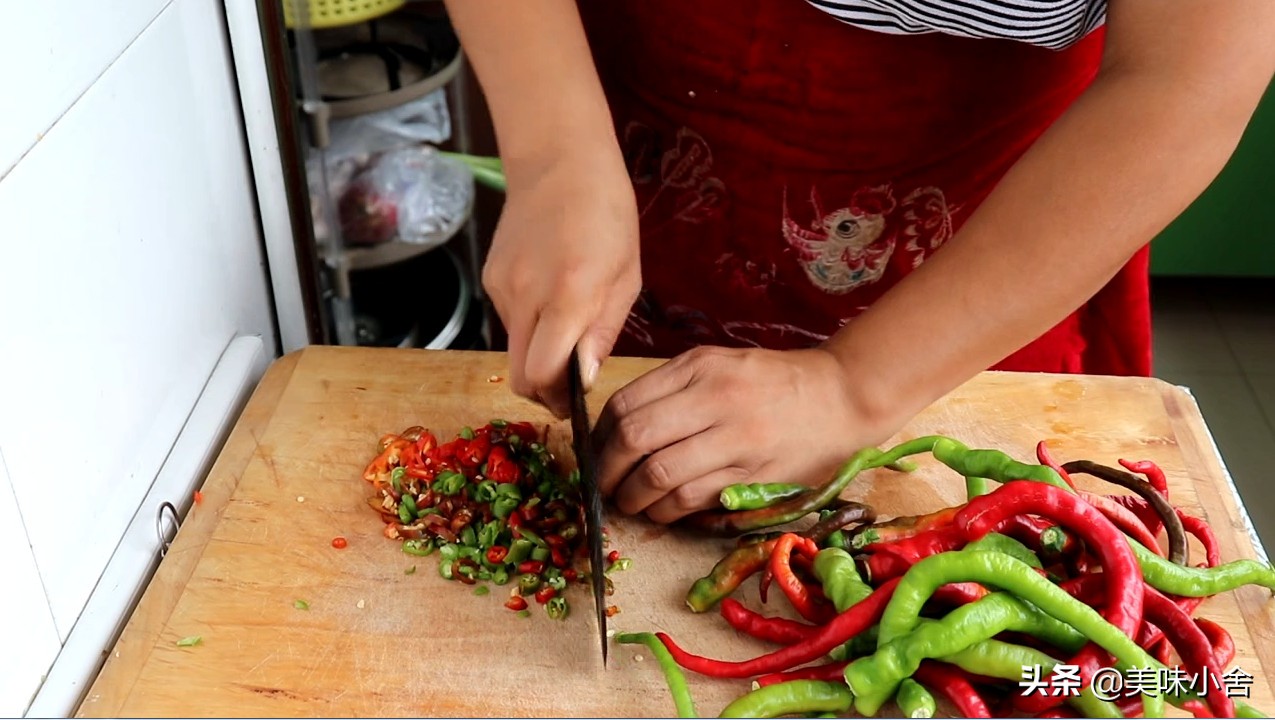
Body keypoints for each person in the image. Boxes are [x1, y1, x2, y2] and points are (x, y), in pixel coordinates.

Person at [443, 0, 1275, 524]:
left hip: (995, 212)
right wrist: (554, 149)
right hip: (635, 105)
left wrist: (855, 385)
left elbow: (1189, 73)